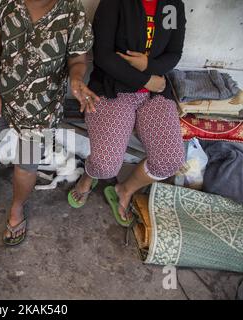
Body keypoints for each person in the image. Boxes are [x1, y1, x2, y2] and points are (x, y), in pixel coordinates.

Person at [0, 0, 98, 246]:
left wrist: (76, 80)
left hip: (41, 109)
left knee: (26, 164)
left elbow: (78, 60)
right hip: (1, 99)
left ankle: (16, 209)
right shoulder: (3, 3)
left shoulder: (72, 9)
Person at [68, 0, 186, 227]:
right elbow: (103, 55)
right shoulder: (115, 3)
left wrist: (148, 66)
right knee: (105, 165)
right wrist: (145, 79)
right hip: (113, 89)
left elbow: (173, 53)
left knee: (169, 160)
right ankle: (89, 177)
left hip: (155, 93)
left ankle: (125, 189)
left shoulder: (171, 6)